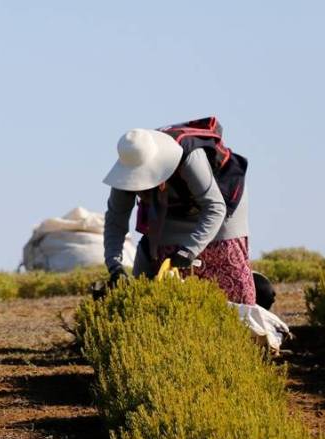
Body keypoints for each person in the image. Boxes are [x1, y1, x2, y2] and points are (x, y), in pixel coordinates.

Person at [102, 122, 255, 304]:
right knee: (153, 274)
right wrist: (115, 266)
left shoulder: (189, 155)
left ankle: (245, 314)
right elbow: (115, 220)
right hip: (170, 206)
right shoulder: (129, 164)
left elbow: (215, 208)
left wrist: (189, 250)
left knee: (228, 276)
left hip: (220, 206)